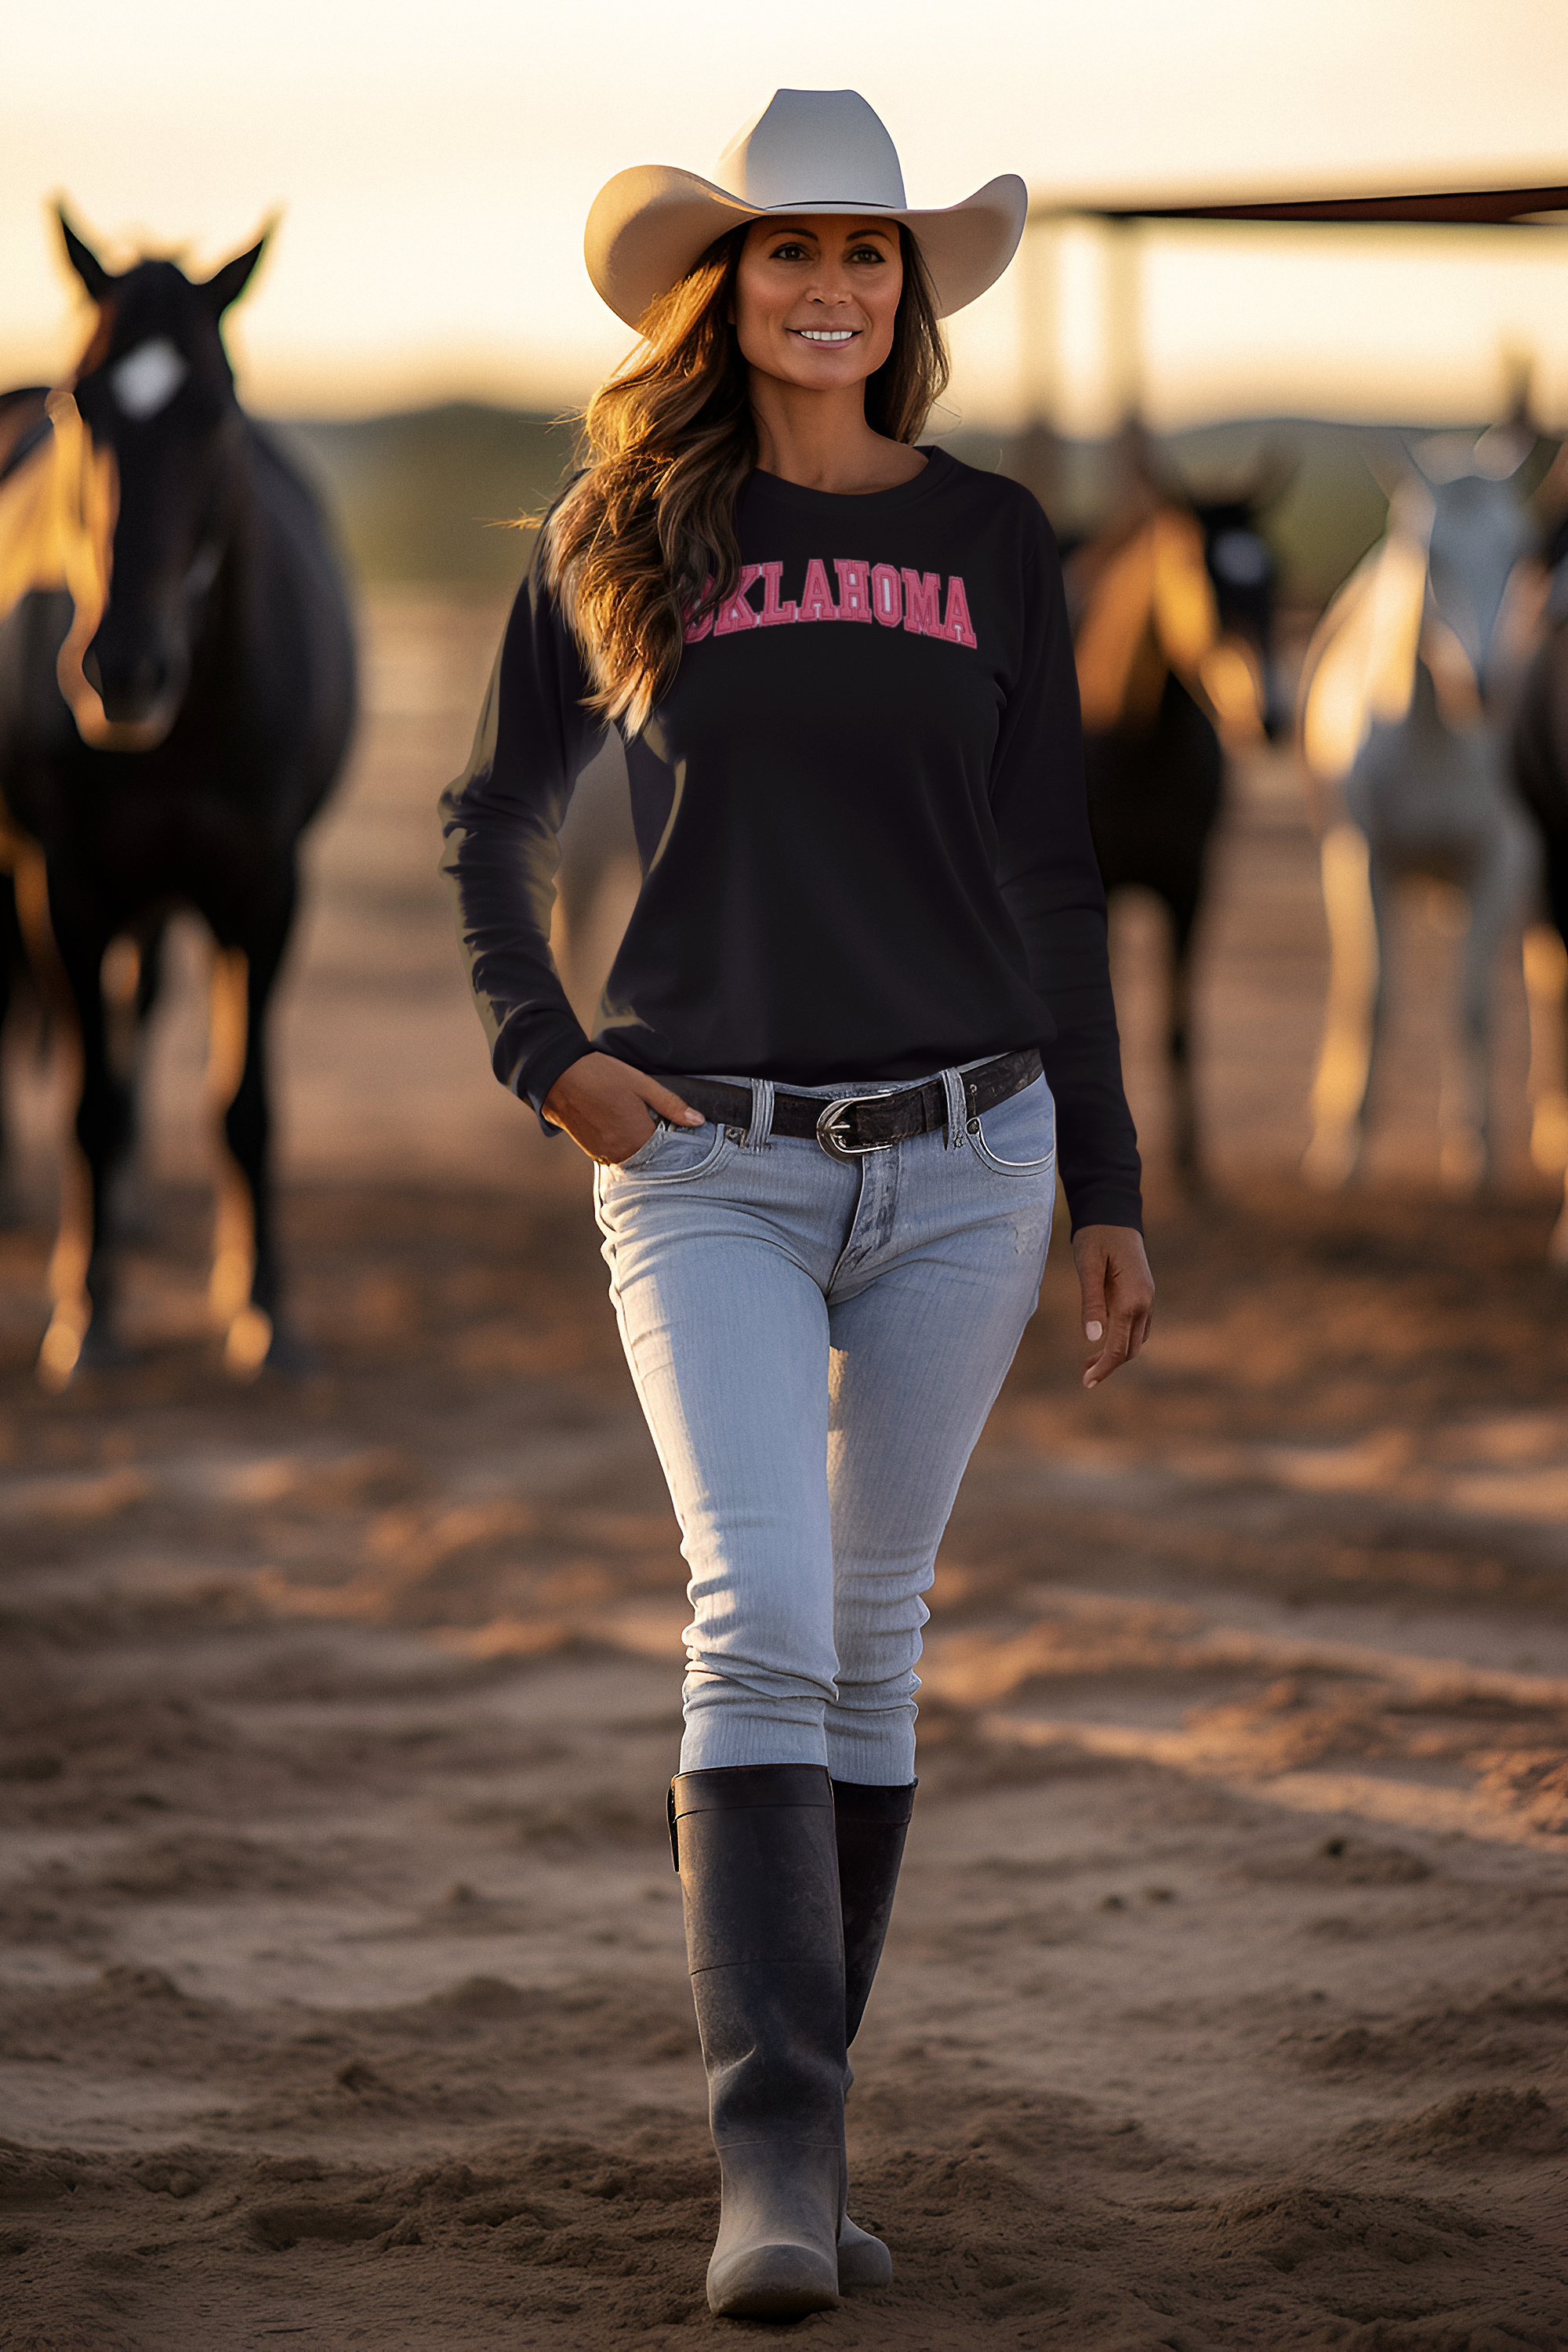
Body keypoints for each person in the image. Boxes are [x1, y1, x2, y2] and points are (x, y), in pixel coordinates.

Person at [439, 86, 1154, 2322]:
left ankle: (810, 2136)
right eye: (791, 253)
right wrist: (551, 1060)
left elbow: (1052, 874)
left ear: (906, 293)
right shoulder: (622, 531)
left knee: (874, 1636)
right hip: (711, 1163)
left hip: (970, 1160)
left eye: (870, 255)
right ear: (721, 290)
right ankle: (770, 2173)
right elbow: (493, 828)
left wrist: (1107, 1184)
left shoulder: (997, 539)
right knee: (754, 1606)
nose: (833, 287)